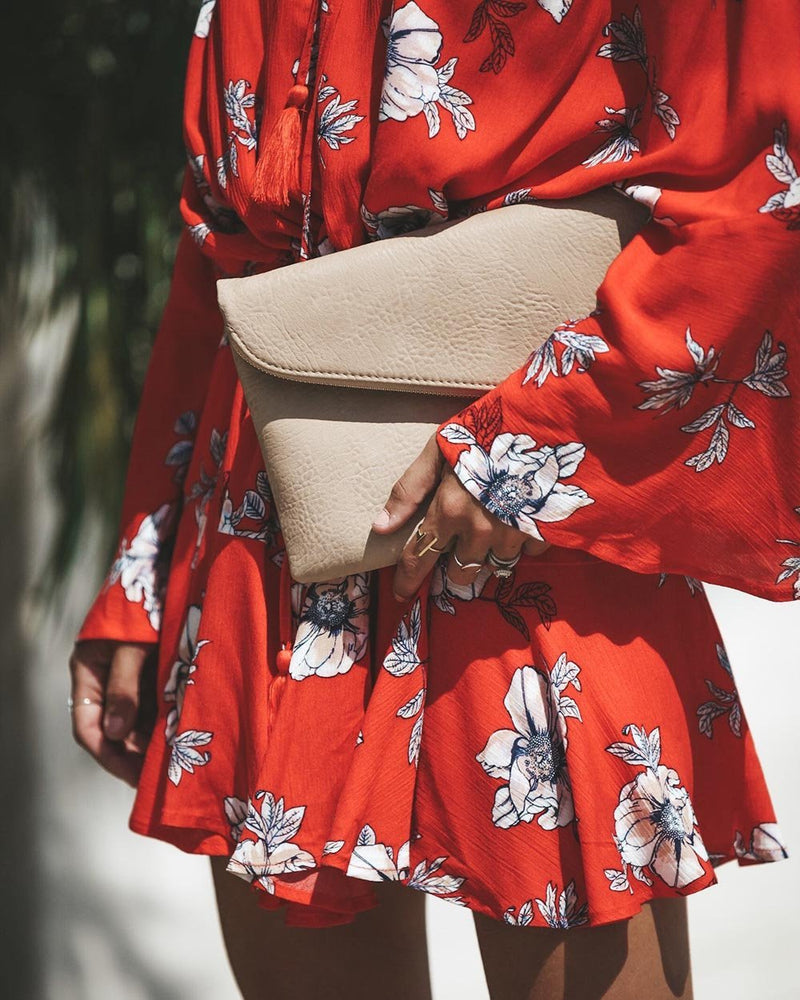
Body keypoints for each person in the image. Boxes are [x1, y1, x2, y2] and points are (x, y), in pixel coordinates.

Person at [70, 1, 797, 997]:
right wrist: (144, 567)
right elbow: (216, 255)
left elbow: (757, 175)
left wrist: (530, 444)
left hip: (533, 511)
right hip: (265, 506)